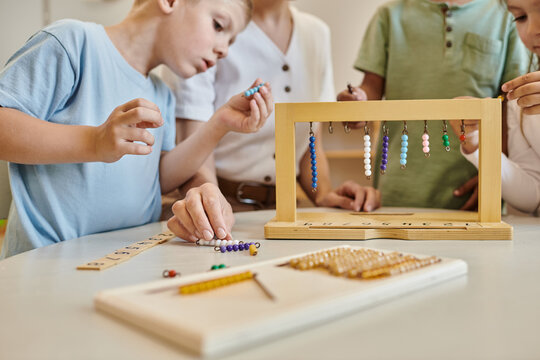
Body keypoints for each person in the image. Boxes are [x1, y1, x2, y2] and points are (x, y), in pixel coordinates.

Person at [0, 0, 274, 258]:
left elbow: (158, 179)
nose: (224, 49)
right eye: (218, 26)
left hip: (124, 264)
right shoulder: (73, 43)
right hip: (45, 268)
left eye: (231, 40)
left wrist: (219, 124)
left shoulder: (162, 94)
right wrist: (94, 142)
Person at [164, 0, 381, 242]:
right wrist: (212, 201)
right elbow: (192, 138)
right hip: (225, 211)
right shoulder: (214, 25)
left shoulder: (316, 34)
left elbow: (311, 137)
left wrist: (325, 194)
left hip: (290, 210)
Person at [337, 0, 529, 210]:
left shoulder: (507, 15)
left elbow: (509, 106)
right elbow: (371, 87)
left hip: (473, 187)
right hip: (396, 187)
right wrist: (358, 102)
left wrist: (494, 175)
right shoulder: (389, 15)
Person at [454, 0, 540, 215]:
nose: (533, 30)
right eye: (520, 17)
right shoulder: (521, 102)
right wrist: (476, 143)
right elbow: (532, 198)